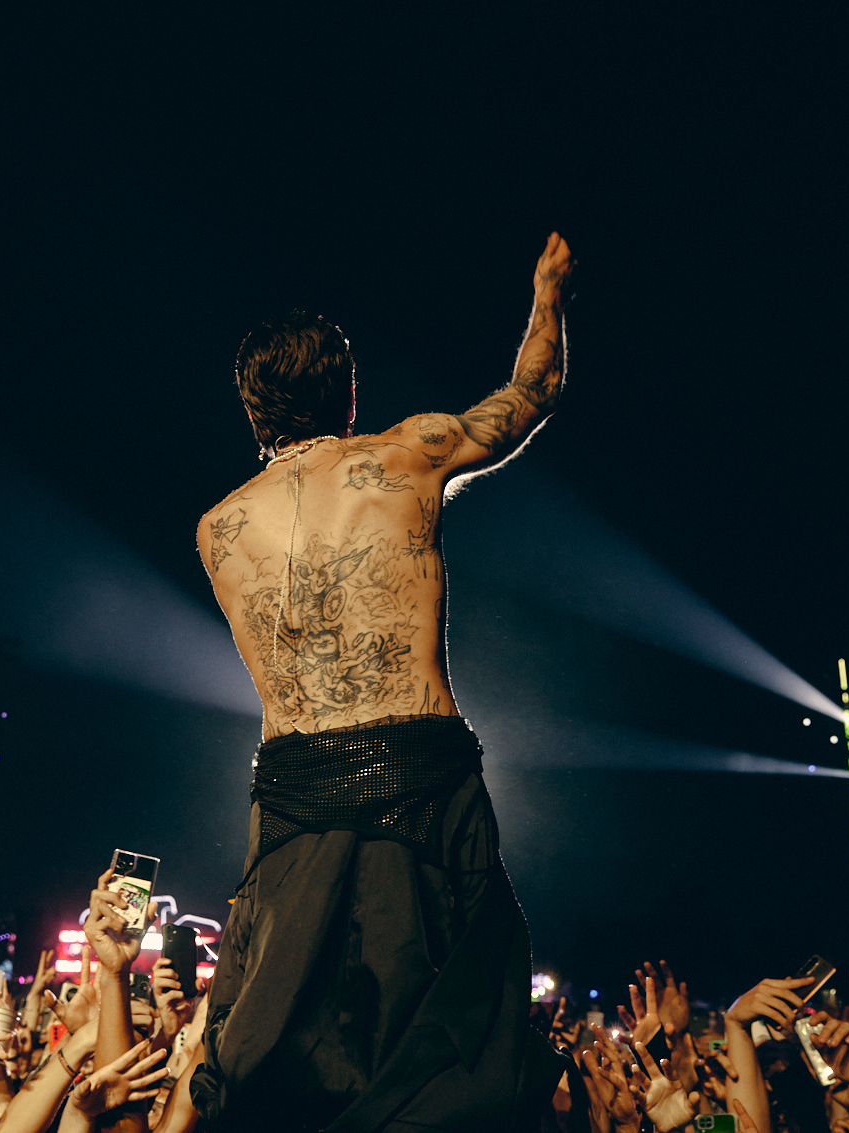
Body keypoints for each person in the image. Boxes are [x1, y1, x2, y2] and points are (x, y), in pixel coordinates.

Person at [188, 233, 576, 1131]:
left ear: (251, 408)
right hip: (417, 775)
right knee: (457, 1051)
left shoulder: (218, 530)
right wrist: (549, 293)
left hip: (293, 801)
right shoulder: (406, 456)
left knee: (284, 1060)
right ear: (348, 393)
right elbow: (533, 392)